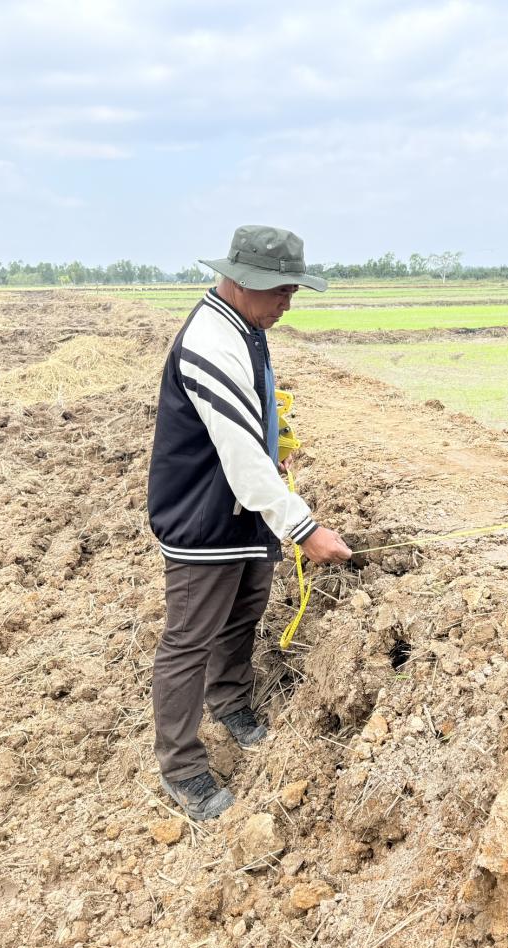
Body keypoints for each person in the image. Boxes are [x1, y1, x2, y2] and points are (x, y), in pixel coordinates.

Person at [147, 224, 352, 819]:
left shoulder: (247, 325)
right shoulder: (210, 341)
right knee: (190, 638)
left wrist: (277, 436)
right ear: (241, 281)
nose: (287, 305)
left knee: (245, 609)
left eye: (292, 291)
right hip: (204, 511)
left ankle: (231, 701)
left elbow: (252, 424)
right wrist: (305, 529)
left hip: (245, 509)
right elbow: (237, 454)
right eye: (281, 291)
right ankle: (182, 767)